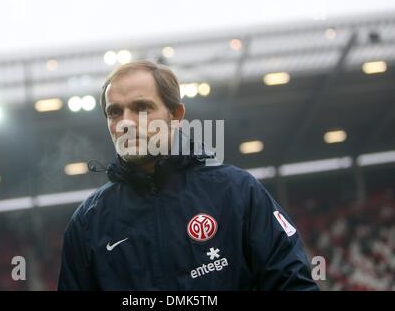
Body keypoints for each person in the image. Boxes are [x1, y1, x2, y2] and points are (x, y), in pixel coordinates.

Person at [57, 60, 319, 290]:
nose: (126, 122)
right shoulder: (88, 223)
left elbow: (292, 283)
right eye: (114, 112)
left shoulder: (237, 192)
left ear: (176, 115)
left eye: (142, 108)